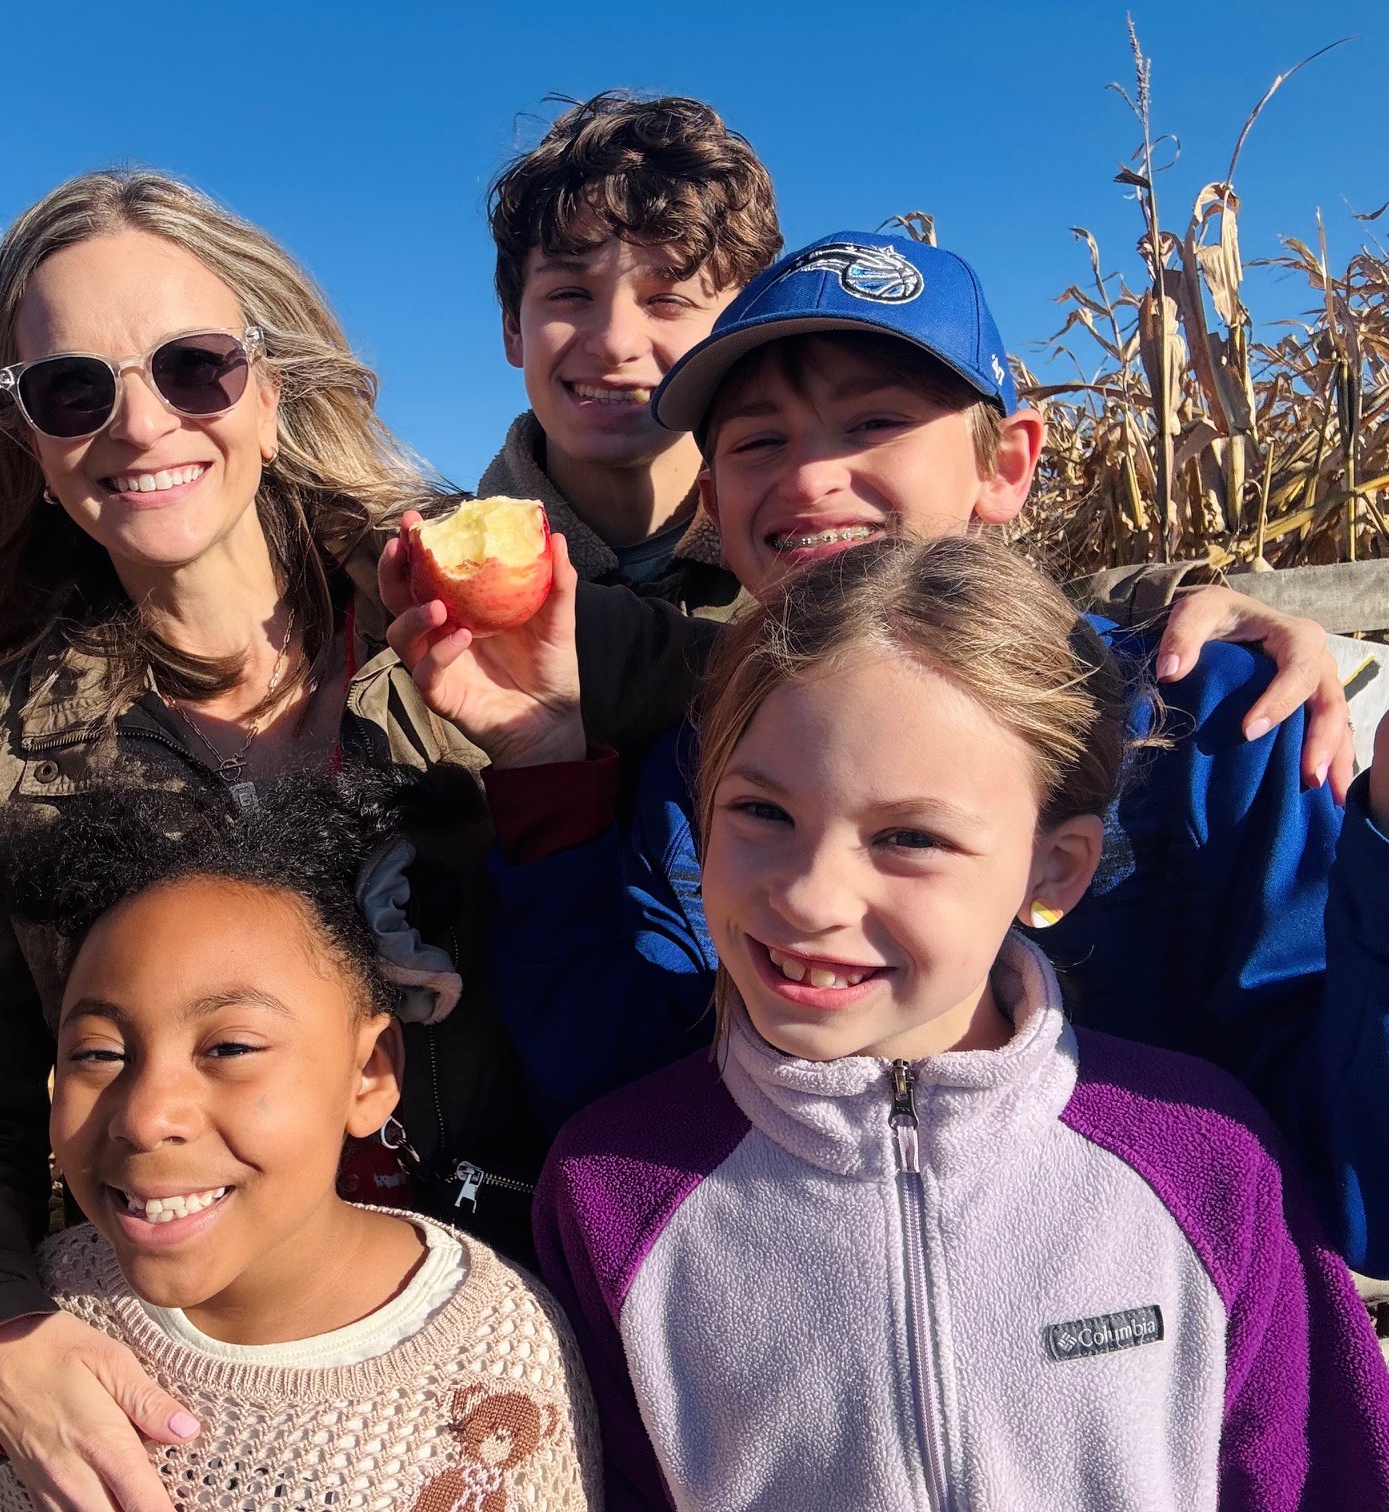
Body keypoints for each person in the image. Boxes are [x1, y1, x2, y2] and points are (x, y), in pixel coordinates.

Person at [0, 169, 700, 1512]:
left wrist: (1141, 615)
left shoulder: (485, 607)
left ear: (269, 385)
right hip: (204, 1395)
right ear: (24, 434)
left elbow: (806, 691)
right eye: (73, 390)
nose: (140, 426)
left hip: (533, 1353)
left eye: (193, 369)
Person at [396, 233, 1385, 1273]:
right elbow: (621, 1089)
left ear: (1005, 465)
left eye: (874, 423)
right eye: (757, 442)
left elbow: (1360, 1182)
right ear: (712, 506)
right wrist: (548, 761)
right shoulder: (701, 764)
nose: (813, 475)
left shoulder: (1212, 723)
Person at [536, 533, 1389, 1510]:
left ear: (1055, 869)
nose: (812, 895)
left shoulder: (1213, 1168)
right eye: (763, 813)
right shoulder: (610, 1192)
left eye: (909, 837)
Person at [0, 773, 602, 1511]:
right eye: (99, 1053)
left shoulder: (499, 1356)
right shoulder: (48, 1320)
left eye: (229, 1048)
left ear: (367, 1073)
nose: (144, 1116)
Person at [482, 91, 779, 617]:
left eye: (668, 299)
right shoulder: (404, 588)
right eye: (570, 295)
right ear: (513, 331)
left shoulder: (816, 574)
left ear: (740, 332)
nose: (616, 343)